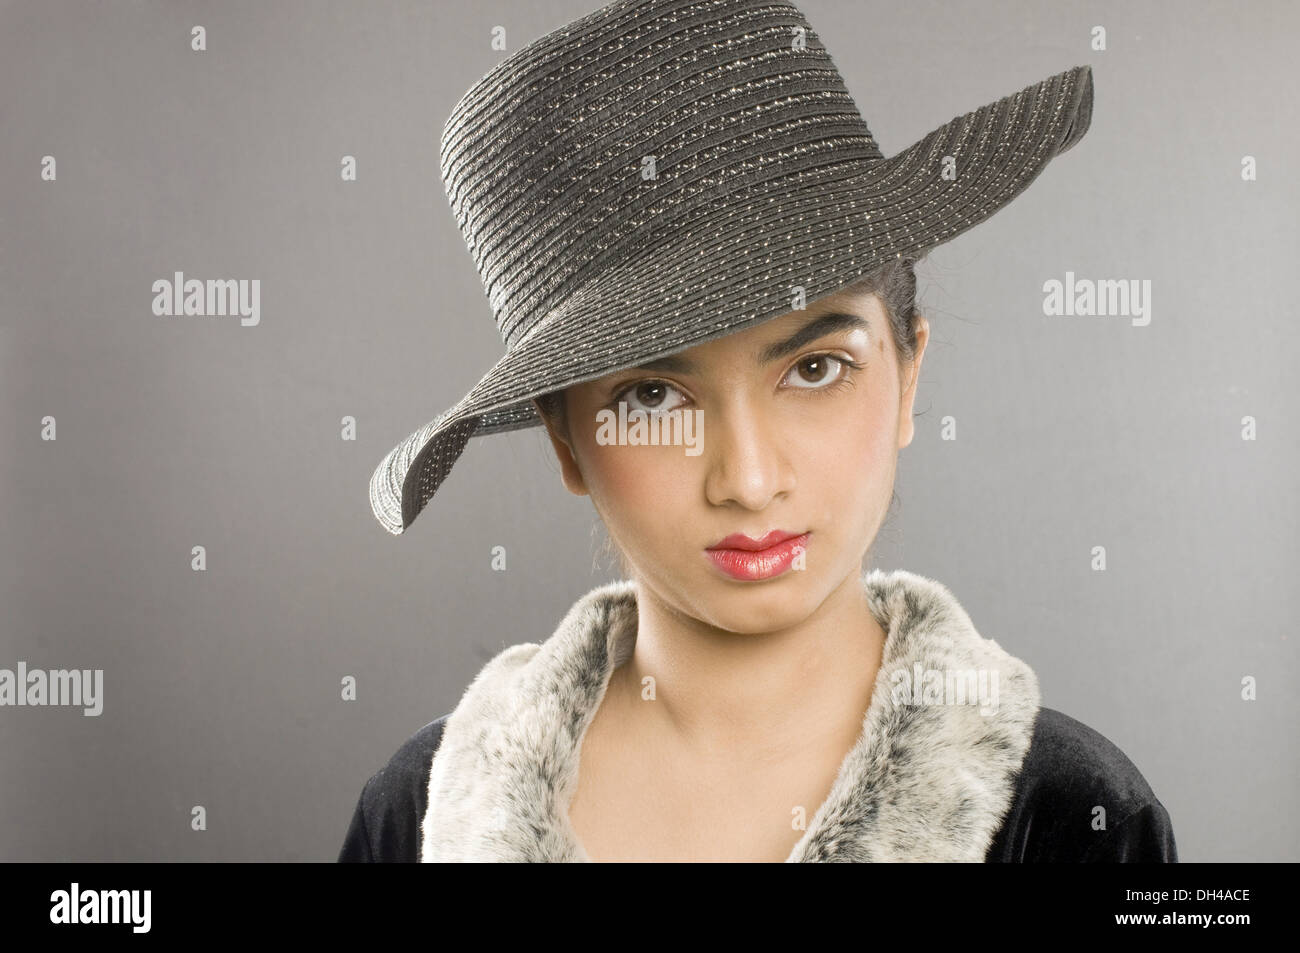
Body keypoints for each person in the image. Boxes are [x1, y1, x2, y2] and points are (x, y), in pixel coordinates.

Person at [340, 0, 1176, 861]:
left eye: (815, 368)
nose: (747, 477)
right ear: (566, 442)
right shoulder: (421, 811)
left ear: (907, 374)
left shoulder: (1075, 814)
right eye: (656, 397)